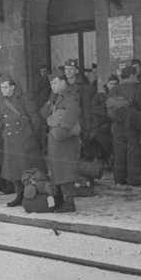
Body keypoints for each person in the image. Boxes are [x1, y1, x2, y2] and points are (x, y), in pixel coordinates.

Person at [40, 70, 85, 212]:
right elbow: (43, 114)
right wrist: (51, 106)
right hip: (57, 140)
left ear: (63, 82)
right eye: (51, 83)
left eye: (54, 82)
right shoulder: (57, 97)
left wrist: (54, 127)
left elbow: (68, 121)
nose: (52, 86)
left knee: (66, 171)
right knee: (58, 171)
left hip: (64, 141)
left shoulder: (71, 98)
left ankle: (69, 202)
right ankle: (62, 200)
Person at [0, 75, 44, 207]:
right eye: (1, 88)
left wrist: (30, 136)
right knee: (13, 169)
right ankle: (19, 195)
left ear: (12, 87)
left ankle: (29, 195)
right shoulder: (1, 101)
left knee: (26, 169)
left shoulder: (24, 98)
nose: (3, 90)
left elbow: (35, 119)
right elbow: (2, 119)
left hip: (24, 139)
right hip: (10, 139)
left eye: (6, 87)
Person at [107, 65, 141, 186]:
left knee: (119, 152)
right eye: (135, 75)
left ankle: (119, 178)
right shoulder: (137, 88)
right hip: (132, 125)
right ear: (131, 75)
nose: (137, 77)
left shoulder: (114, 89)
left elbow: (108, 108)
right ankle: (134, 178)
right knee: (133, 152)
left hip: (116, 125)